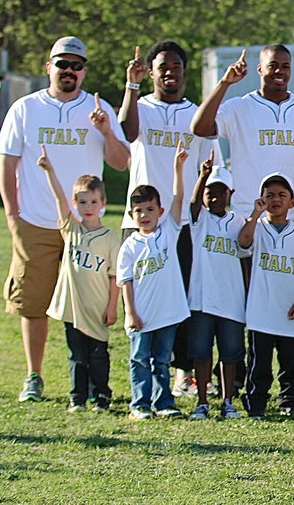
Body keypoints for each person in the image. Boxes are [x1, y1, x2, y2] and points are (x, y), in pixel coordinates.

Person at [0, 36, 130, 403]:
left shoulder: (98, 109)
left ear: (84, 71)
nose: (68, 71)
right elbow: (6, 162)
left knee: (86, 305)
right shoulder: (25, 108)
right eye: (62, 64)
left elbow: (121, 162)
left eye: (76, 65)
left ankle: (87, 382)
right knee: (34, 302)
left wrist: (105, 130)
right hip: (37, 221)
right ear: (48, 67)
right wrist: (12, 213)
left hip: (86, 228)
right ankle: (33, 377)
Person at [119, 40, 221, 398]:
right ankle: (140, 374)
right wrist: (131, 85)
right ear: (150, 72)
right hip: (141, 221)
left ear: (184, 72)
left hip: (179, 222)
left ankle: (180, 372)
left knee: (178, 297)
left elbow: (212, 167)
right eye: (162, 67)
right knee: (141, 296)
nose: (170, 73)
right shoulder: (140, 108)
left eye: (176, 67)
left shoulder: (195, 114)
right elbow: (127, 133)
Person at [191, 45, 294, 220]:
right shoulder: (239, 107)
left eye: (285, 66)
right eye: (272, 65)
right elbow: (200, 128)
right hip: (249, 219)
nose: (279, 71)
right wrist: (225, 83)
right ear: (260, 69)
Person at [37, 149, 119, 413]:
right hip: (73, 307)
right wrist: (49, 171)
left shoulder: (109, 239)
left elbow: (114, 276)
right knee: (77, 355)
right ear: (76, 204)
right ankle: (78, 397)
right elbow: (59, 199)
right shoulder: (71, 229)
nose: (89, 208)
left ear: (103, 202)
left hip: (97, 307)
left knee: (98, 355)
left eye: (94, 202)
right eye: (83, 202)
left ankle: (101, 396)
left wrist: (111, 307)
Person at [116, 147, 191, 419]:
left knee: (162, 360)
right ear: (131, 214)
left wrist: (178, 168)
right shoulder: (129, 246)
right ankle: (140, 404)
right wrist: (131, 313)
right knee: (139, 359)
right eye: (139, 211)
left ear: (159, 210)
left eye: (150, 209)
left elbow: (179, 198)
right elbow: (125, 281)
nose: (145, 215)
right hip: (142, 316)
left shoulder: (169, 231)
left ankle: (164, 403)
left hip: (166, 313)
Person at [238, 174, 294, 418]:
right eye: (269, 195)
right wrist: (255, 215)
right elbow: (243, 242)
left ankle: (290, 402)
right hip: (261, 310)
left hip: (289, 310)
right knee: (259, 363)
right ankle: (256, 403)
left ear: (292, 202)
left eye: (282, 195)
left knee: (291, 362)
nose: (275, 200)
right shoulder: (258, 229)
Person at [185, 156, 248, 420]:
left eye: (221, 192)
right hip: (202, 297)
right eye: (210, 193)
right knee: (201, 352)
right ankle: (202, 402)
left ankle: (227, 401)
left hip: (231, 298)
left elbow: (245, 259)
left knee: (230, 353)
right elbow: (192, 205)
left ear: (229, 194)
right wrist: (202, 177)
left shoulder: (238, 221)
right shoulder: (200, 222)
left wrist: (246, 294)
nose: (215, 198)